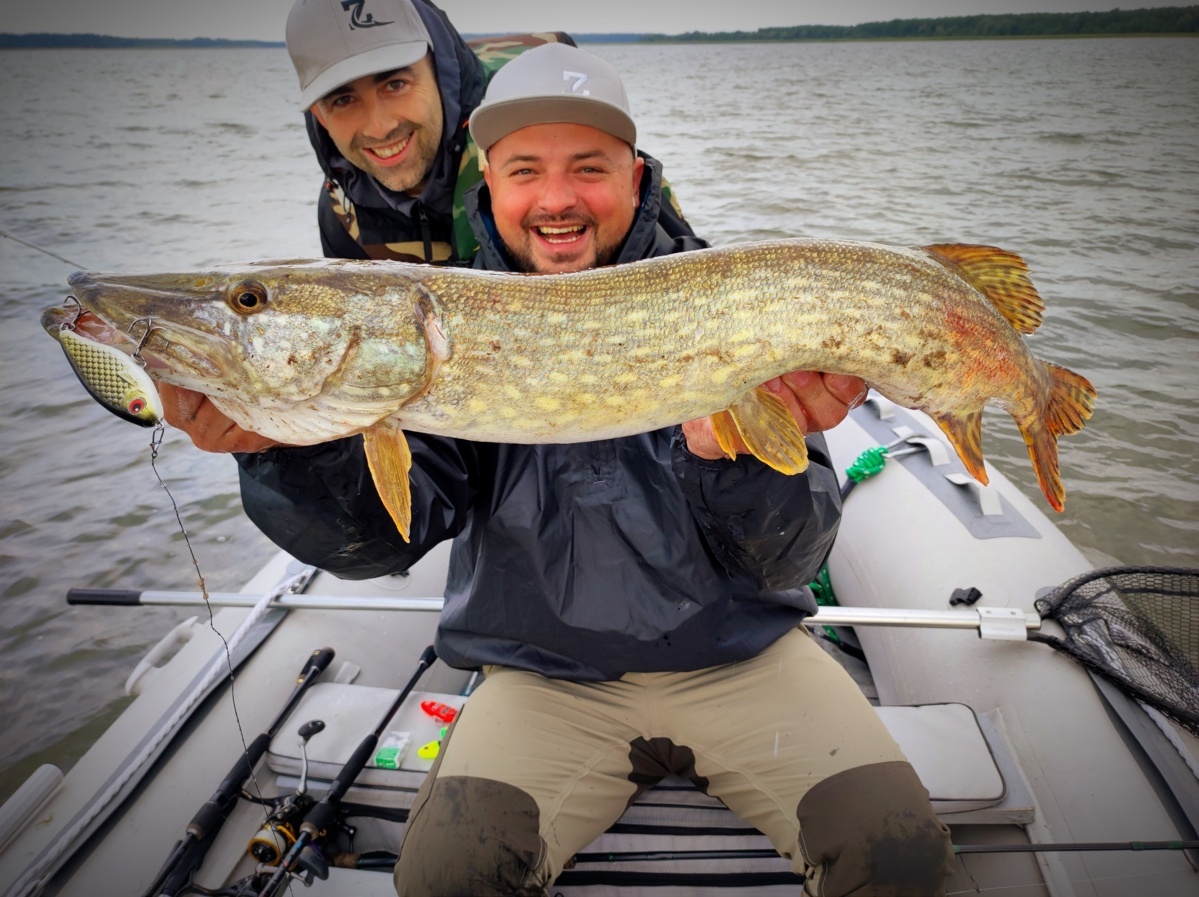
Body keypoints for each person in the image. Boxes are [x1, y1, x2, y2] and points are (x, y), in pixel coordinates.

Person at [237, 43, 955, 897]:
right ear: (488, 185)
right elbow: (376, 543)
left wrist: (728, 458)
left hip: (744, 659)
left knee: (901, 861)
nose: (556, 199)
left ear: (635, 175)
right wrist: (277, 447)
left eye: (588, 167)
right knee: (446, 879)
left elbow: (789, 558)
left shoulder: (743, 298)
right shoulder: (440, 331)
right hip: (543, 680)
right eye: (524, 171)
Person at [158, 0, 694, 454]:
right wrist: (289, 446)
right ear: (319, 114)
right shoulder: (344, 213)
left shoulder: (531, 131)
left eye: (395, 83)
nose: (381, 125)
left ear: (437, 69)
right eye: (343, 99)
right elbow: (378, 381)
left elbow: (670, 276)